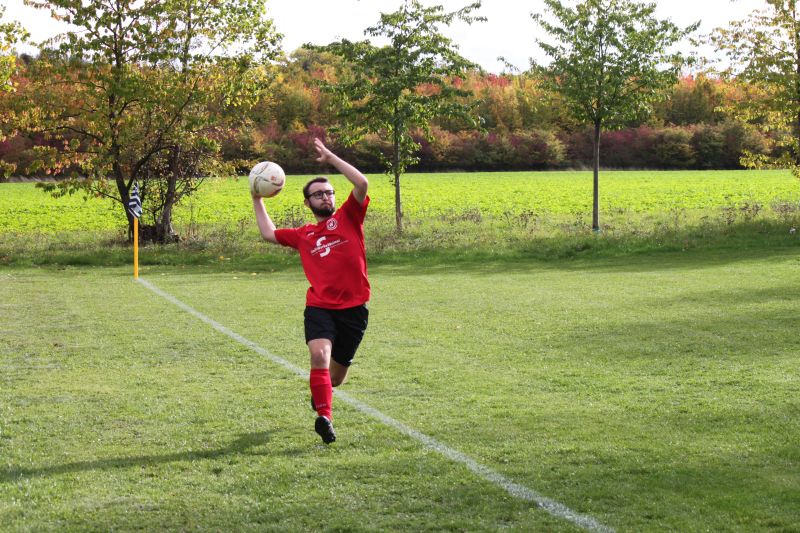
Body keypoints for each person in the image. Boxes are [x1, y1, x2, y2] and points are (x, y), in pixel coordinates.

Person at [252, 138, 370, 444]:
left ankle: (322, 397)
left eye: (329, 192)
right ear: (307, 203)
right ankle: (324, 418)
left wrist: (330, 157)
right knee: (319, 355)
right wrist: (257, 197)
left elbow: (362, 182)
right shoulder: (303, 235)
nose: (325, 197)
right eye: (318, 194)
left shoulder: (349, 217)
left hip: (355, 310)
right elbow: (267, 233)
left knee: (335, 378)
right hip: (320, 306)